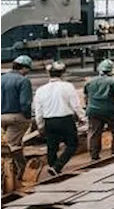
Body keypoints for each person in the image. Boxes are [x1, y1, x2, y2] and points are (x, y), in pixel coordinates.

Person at [34, 61, 85, 175]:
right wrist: (82, 117)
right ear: (63, 73)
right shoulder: (67, 87)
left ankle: (53, 167)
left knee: (52, 147)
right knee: (72, 144)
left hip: (49, 121)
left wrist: (40, 125)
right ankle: (58, 166)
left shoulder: (41, 90)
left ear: (48, 74)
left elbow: (38, 110)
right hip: (65, 119)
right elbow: (75, 105)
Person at [0, 55, 34, 187]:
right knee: (9, 148)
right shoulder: (23, 81)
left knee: (15, 145)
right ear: (23, 68)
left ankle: (21, 171)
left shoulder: (2, 78)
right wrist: (27, 117)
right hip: (17, 117)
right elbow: (25, 102)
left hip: (2, 116)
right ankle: (6, 178)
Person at [83, 59, 114, 160]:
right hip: (109, 110)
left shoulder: (90, 82)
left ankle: (94, 155)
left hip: (93, 110)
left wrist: (88, 106)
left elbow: (85, 97)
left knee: (94, 133)